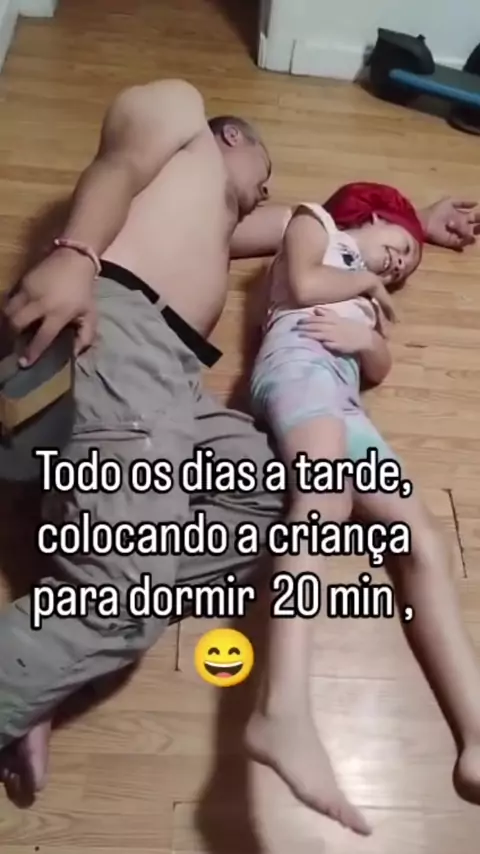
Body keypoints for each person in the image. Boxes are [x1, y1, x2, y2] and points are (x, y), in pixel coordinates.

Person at [0, 78, 479, 819]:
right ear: (233, 138)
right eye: (266, 173)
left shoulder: (224, 220)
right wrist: (76, 253)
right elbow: (121, 162)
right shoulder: (184, 119)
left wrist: (417, 218)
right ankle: (71, 636)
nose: (267, 191)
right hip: (114, 329)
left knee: (290, 499)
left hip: (173, 386)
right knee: (123, 597)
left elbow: (329, 228)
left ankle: (55, 648)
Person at [248, 181, 480, 834]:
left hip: (344, 399)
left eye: (406, 265)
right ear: (372, 215)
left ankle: (476, 730)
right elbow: (301, 282)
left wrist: (365, 339)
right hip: (296, 368)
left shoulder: (365, 294)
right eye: (399, 246)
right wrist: (365, 283)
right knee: (325, 494)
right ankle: (281, 707)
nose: (399, 265)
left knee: (420, 537)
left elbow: (378, 367)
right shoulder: (316, 225)